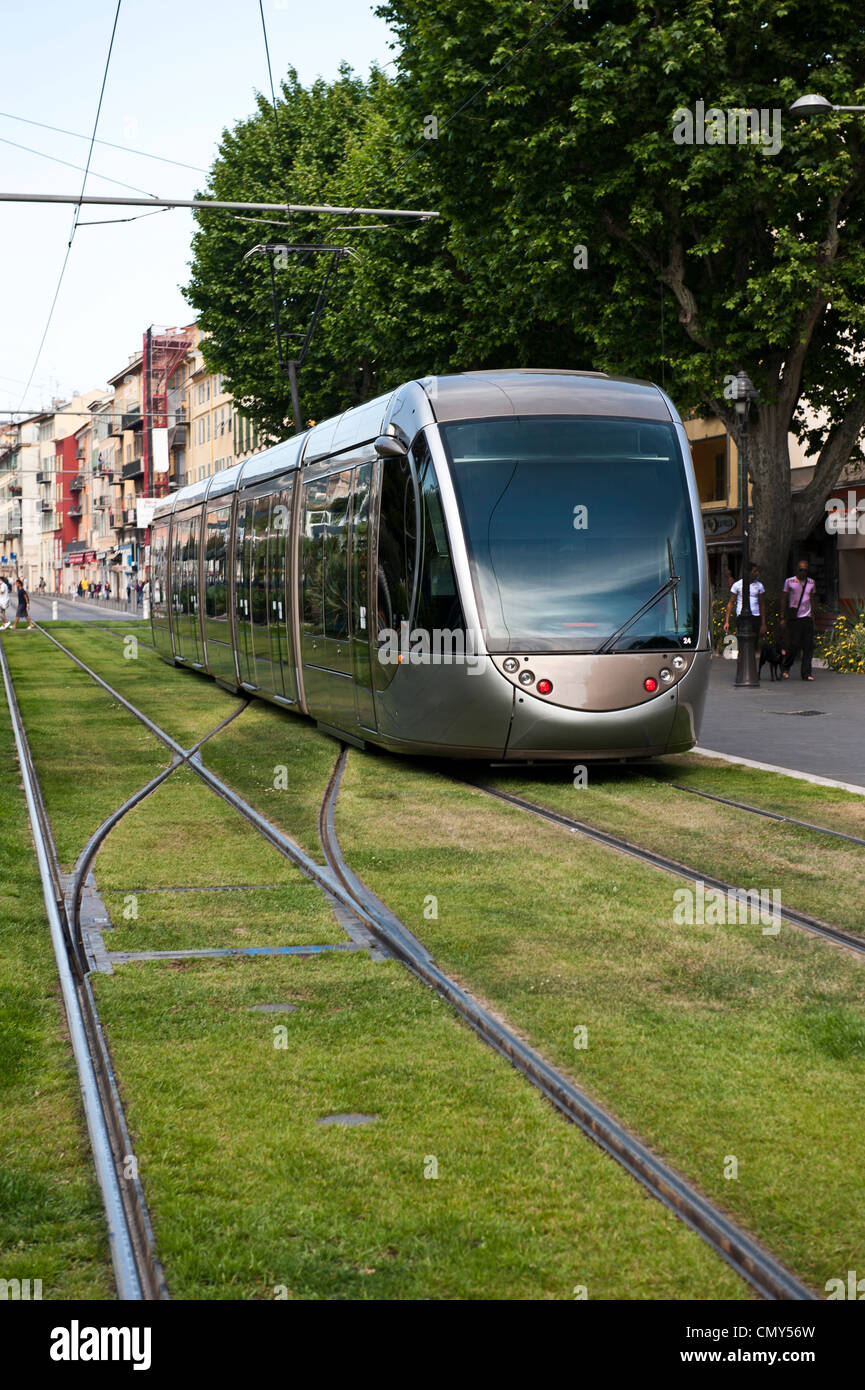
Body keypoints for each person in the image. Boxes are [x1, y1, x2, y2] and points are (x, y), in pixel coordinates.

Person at [781, 559, 816, 680]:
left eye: (805, 570)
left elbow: (812, 599)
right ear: (797, 570)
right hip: (794, 618)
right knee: (793, 645)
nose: (803, 572)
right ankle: (786, 667)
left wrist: (813, 616)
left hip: (807, 617)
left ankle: (806, 673)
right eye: (801, 570)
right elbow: (784, 599)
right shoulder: (789, 581)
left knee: (808, 647)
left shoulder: (811, 582)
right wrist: (782, 617)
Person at [724, 561, 767, 640]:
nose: (757, 573)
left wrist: (763, 623)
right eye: (755, 571)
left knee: (754, 641)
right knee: (743, 640)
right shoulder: (737, 585)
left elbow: (762, 604)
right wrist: (727, 621)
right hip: (741, 616)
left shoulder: (759, 586)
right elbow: (730, 603)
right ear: (749, 572)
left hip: (756, 616)